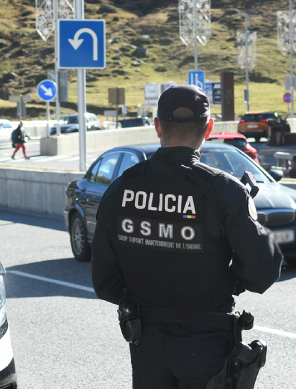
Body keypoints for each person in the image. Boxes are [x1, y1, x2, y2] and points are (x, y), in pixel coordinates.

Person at [92, 85, 283, 389]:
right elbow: (263, 271)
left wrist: (146, 298)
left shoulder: (120, 189)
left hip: (147, 342)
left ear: (158, 126)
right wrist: (228, 280)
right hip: (209, 344)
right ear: (209, 128)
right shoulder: (224, 191)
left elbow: (104, 281)